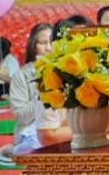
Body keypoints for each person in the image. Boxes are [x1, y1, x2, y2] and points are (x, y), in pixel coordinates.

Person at [6, 23, 67, 153]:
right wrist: (43, 94)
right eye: (43, 43)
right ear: (33, 46)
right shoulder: (21, 76)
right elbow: (21, 116)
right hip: (32, 130)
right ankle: (10, 150)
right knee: (39, 144)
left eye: (52, 42)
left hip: (61, 128)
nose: (48, 48)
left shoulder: (66, 69)